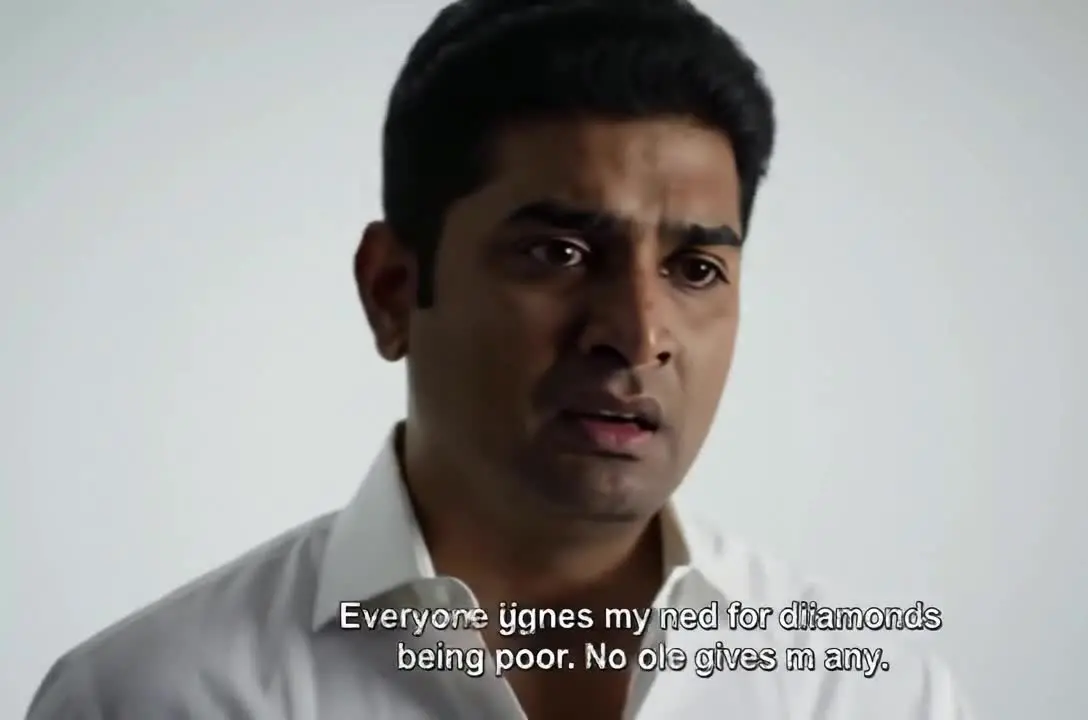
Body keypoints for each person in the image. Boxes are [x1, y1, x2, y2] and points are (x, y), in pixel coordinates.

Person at [27, 0, 973, 718]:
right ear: (393, 290)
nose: (637, 332)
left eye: (695, 269)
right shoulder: (153, 698)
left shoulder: (875, 697)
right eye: (559, 253)